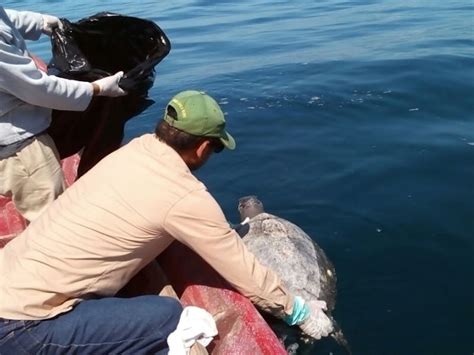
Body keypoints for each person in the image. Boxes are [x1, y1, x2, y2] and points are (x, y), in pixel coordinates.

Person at [0, 90, 333, 353]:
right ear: (203, 147)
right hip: (22, 327)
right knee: (169, 317)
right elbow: (243, 268)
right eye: (216, 149)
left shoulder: (133, 151)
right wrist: (298, 312)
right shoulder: (185, 196)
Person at [0, 6, 127, 223]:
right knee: (51, 223)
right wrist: (96, 89)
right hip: (20, 147)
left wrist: (41, 22)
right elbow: (38, 89)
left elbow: (5, 18)